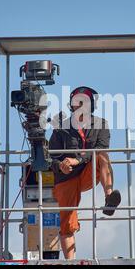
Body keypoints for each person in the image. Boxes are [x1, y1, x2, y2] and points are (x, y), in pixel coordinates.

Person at [49, 86, 121, 259]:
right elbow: (51, 157)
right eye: (77, 102)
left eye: (85, 102)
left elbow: (101, 148)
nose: (80, 105)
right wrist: (61, 166)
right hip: (66, 177)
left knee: (102, 155)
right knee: (67, 221)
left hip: (88, 173)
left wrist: (78, 160)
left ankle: (109, 198)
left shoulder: (101, 125)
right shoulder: (61, 128)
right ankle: (70, 264)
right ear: (71, 105)